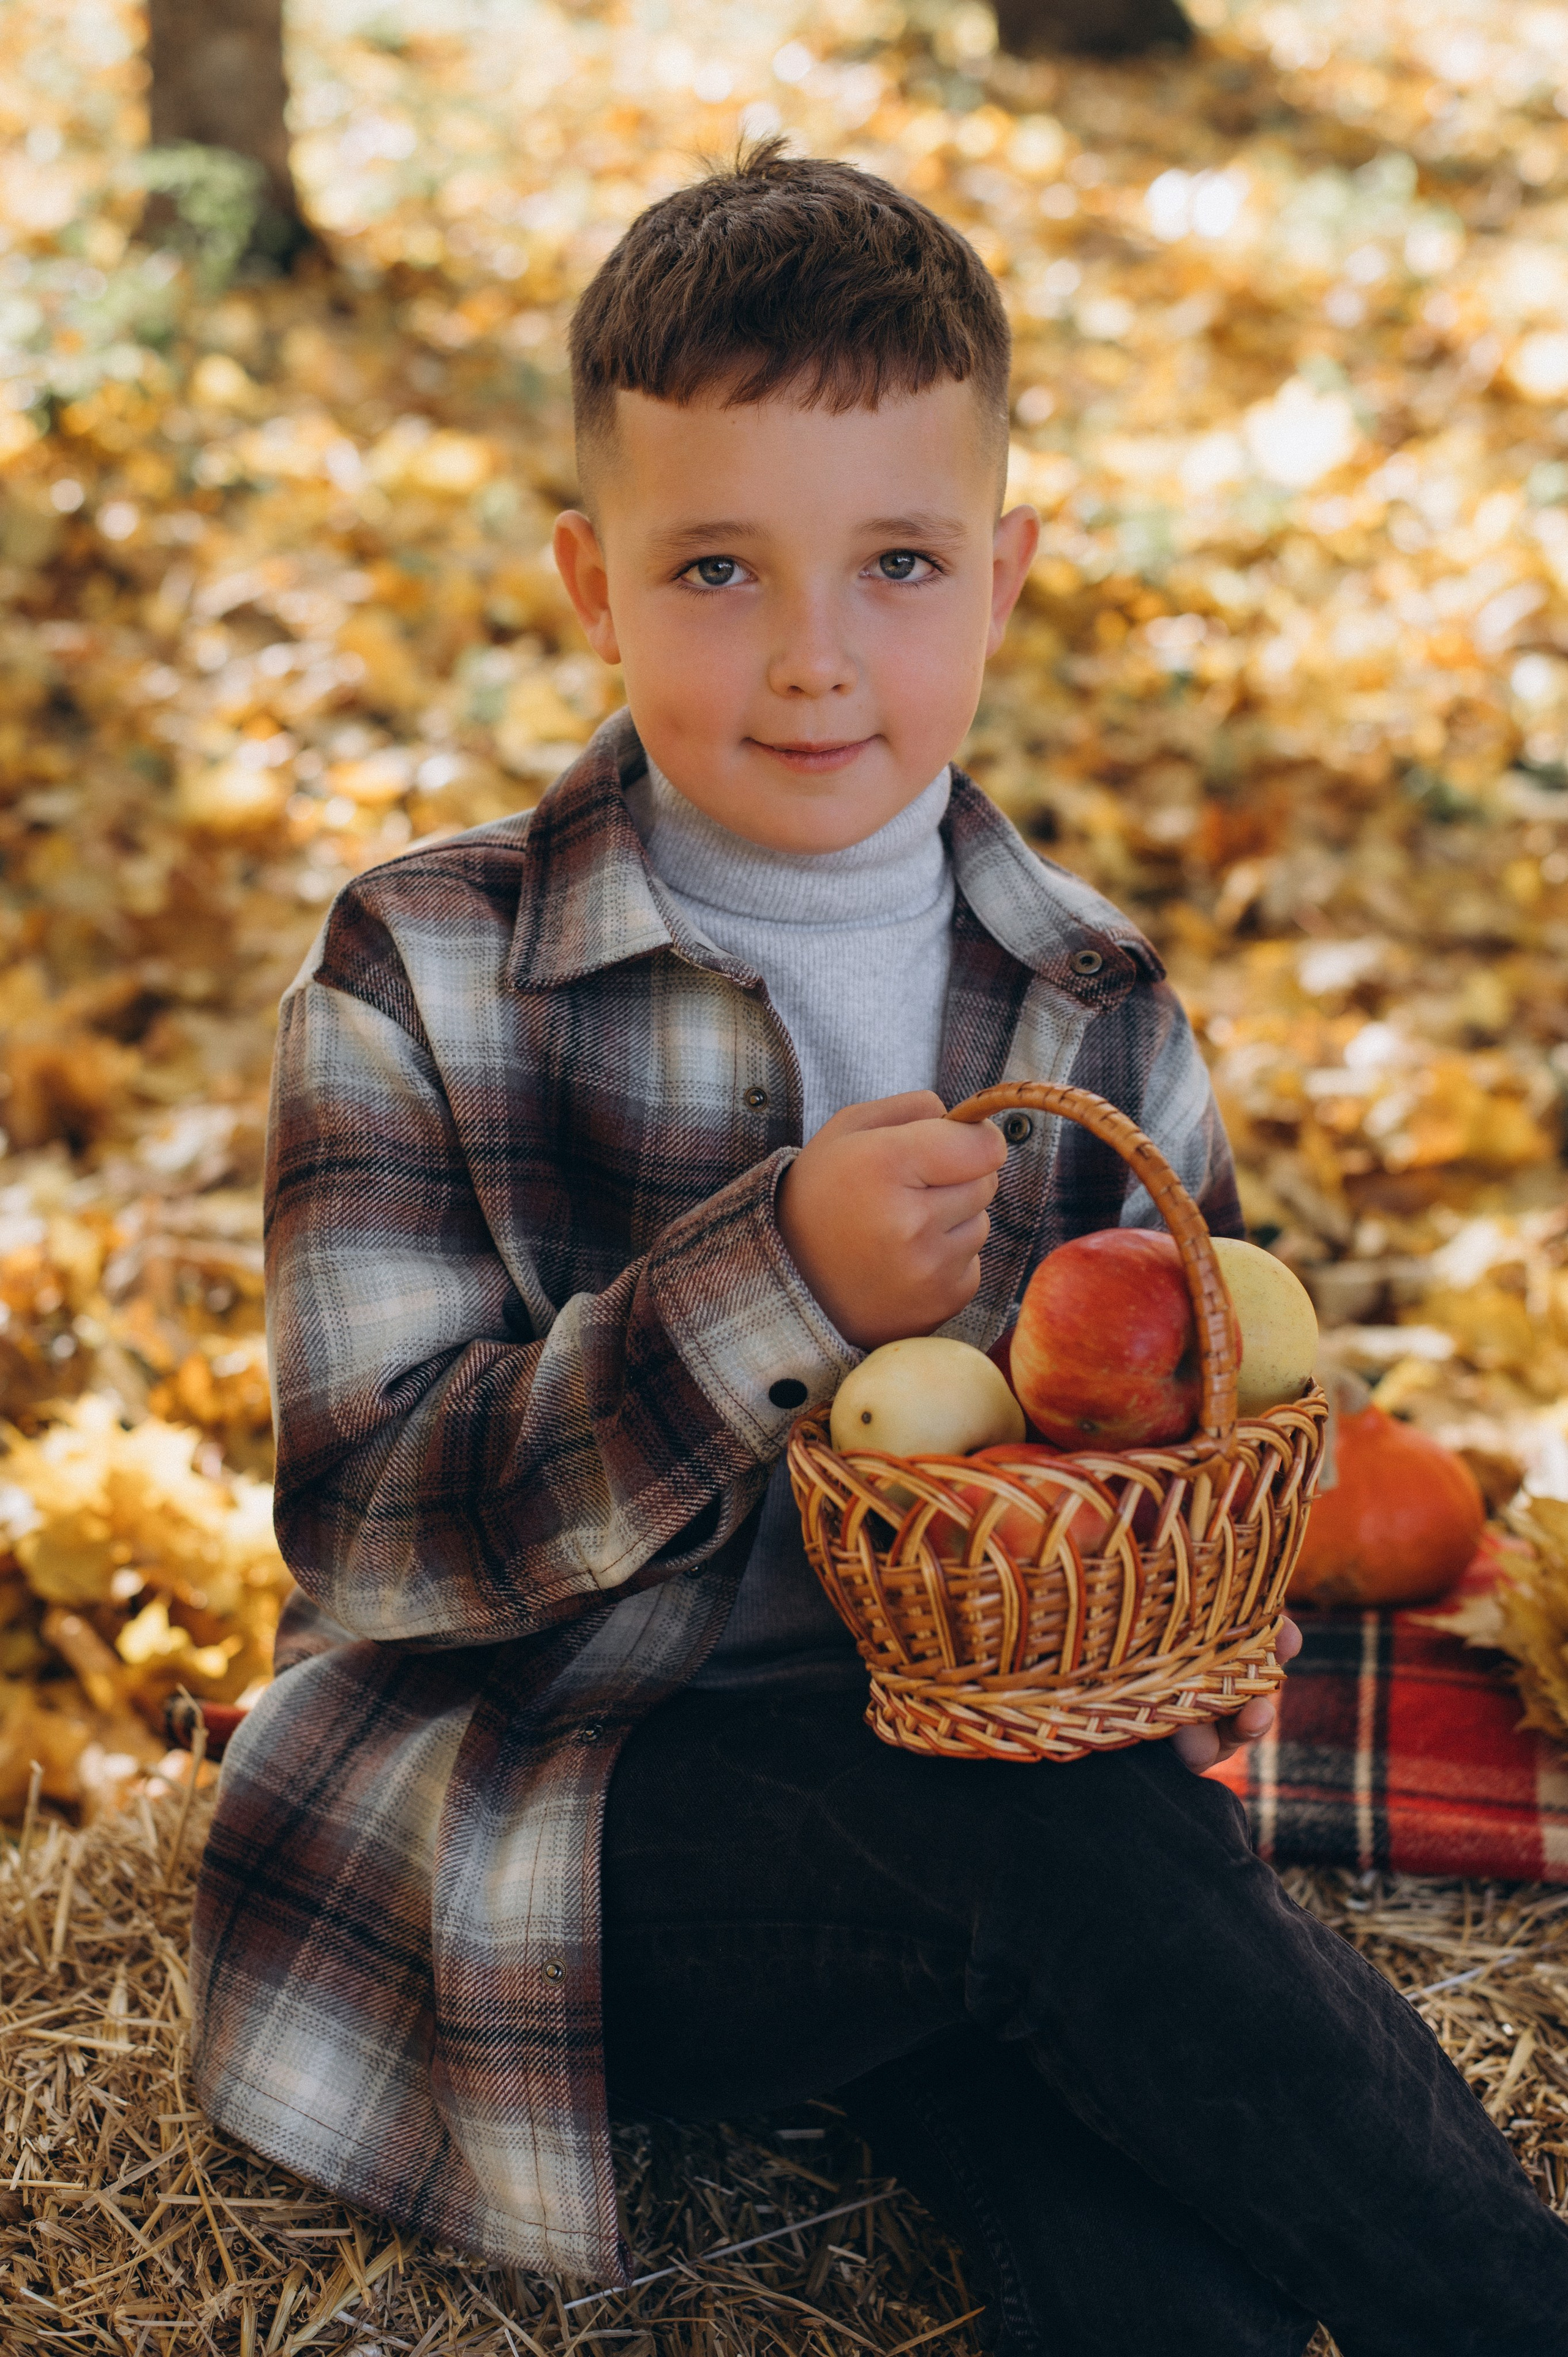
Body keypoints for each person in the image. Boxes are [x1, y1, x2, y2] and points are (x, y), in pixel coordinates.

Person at [190, 146, 1568, 2355]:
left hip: (978, 1797)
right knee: (1058, 1875)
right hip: (568, 1831)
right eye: (719, 568)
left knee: (1175, 2256)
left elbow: (1200, 1460)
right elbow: (369, 1535)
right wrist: (775, 1286)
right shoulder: (421, 971)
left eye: (901, 564)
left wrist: (1193, 1609)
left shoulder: (1089, 1005)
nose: (818, 657)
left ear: (1006, 577)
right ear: (590, 580)